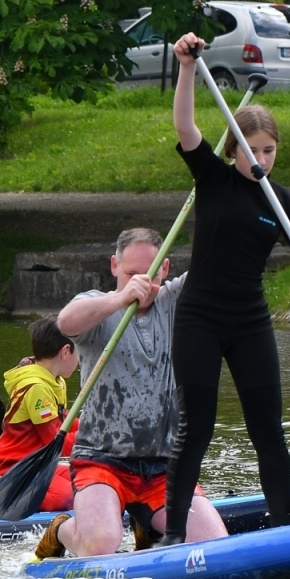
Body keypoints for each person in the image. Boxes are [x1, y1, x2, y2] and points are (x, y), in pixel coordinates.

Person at [156, 33, 290, 547]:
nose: (261, 158)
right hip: (199, 318)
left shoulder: (283, 204)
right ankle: (174, 535)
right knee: (197, 427)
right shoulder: (213, 178)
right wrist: (186, 67)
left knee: (268, 429)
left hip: (249, 322)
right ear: (234, 149)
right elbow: (185, 126)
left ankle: (283, 532)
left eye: (269, 150)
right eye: (251, 150)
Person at [33, 228, 228, 559]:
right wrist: (120, 299)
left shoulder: (176, 299)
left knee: (214, 546)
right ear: (114, 266)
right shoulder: (96, 305)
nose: (141, 283)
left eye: (150, 274)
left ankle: (147, 524)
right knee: (100, 546)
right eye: (131, 274)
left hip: (166, 465)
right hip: (101, 460)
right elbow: (65, 322)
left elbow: (217, 264)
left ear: (165, 268)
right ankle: (64, 529)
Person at [0, 317, 80, 514]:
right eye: (79, 352)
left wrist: (98, 425)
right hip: (17, 471)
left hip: (41, 468)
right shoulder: (36, 387)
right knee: (68, 498)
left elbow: (64, 422)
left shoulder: (55, 381)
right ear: (65, 351)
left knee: (90, 483)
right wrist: (95, 437)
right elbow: (56, 442)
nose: (80, 360)